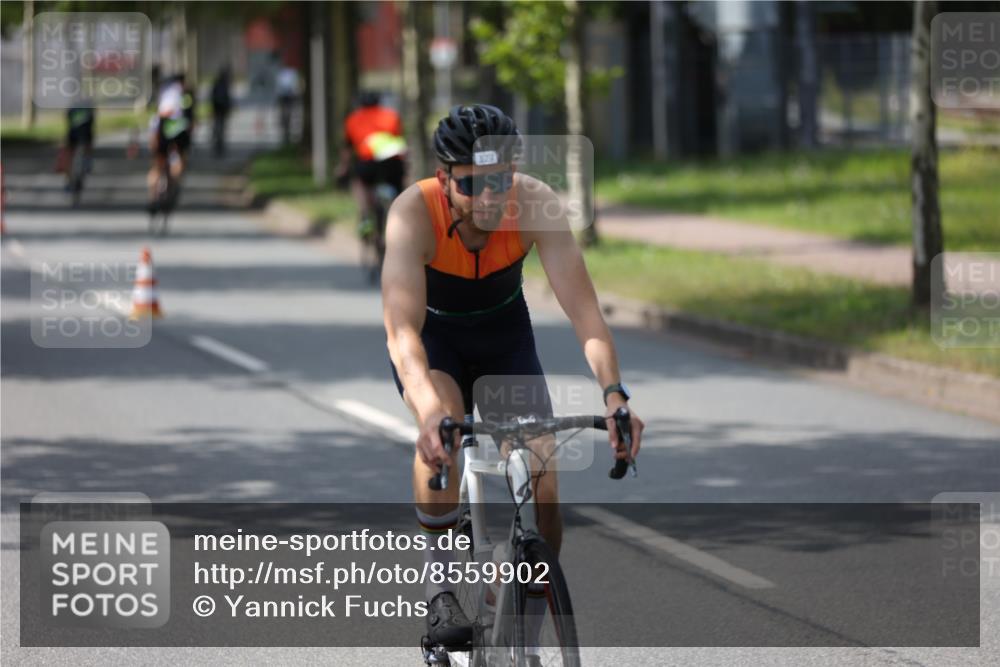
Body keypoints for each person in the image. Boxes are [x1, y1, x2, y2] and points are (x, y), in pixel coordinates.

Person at [381, 104, 645, 654]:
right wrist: (429, 413)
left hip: (504, 341)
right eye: (474, 183)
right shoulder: (412, 213)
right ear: (444, 177)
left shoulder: (535, 204)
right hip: (436, 344)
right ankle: (441, 584)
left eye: (499, 180)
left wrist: (615, 393)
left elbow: (585, 311)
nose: (489, 197)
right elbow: (402, 332)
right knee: (442, 445)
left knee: (543, 479)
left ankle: (519, 620)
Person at [335, 91, 407, 238]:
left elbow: (347, 148)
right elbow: (399, 140)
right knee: (399, 188)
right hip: (392, 162)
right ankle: (400, 219)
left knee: (359, 183)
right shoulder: (391, 115)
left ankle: (365, 216)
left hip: (368, 162)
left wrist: (343, 167)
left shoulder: (353, 119)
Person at [147, 74, 195, 210]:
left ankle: (152, 198)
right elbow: (189, 114)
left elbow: (158, 114)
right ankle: (174, 185)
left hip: (161, 124)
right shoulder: (185, 92)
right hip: (178, 125)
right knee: (179, 159)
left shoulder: (162, 91)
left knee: (157, 165)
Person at [65, 104, 95, 185]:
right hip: (84, 134)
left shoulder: (73, 108)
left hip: (74, 134)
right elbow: (92, 122)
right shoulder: (88, 107)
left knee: (71, 154)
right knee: (87, 148)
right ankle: (88, 163)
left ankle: (69, 178)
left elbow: (68, 120)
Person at [274, 61, 299, 145]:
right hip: (283, 97)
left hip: (290, 97)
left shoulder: (292, 72)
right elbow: (278, 87)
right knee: (284, 114)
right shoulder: (282, 73)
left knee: (288, 113)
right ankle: (285, 131)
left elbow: (295, 85)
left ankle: (287, 131)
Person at [210, 66, 232, 157]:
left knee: (218, 128)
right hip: (222, 110)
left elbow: (212, 97)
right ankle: (219, 145)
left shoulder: (216, 84)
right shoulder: (225, 85)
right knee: (221, 129)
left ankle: (217, 144)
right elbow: (227, 98)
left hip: (217, 110)